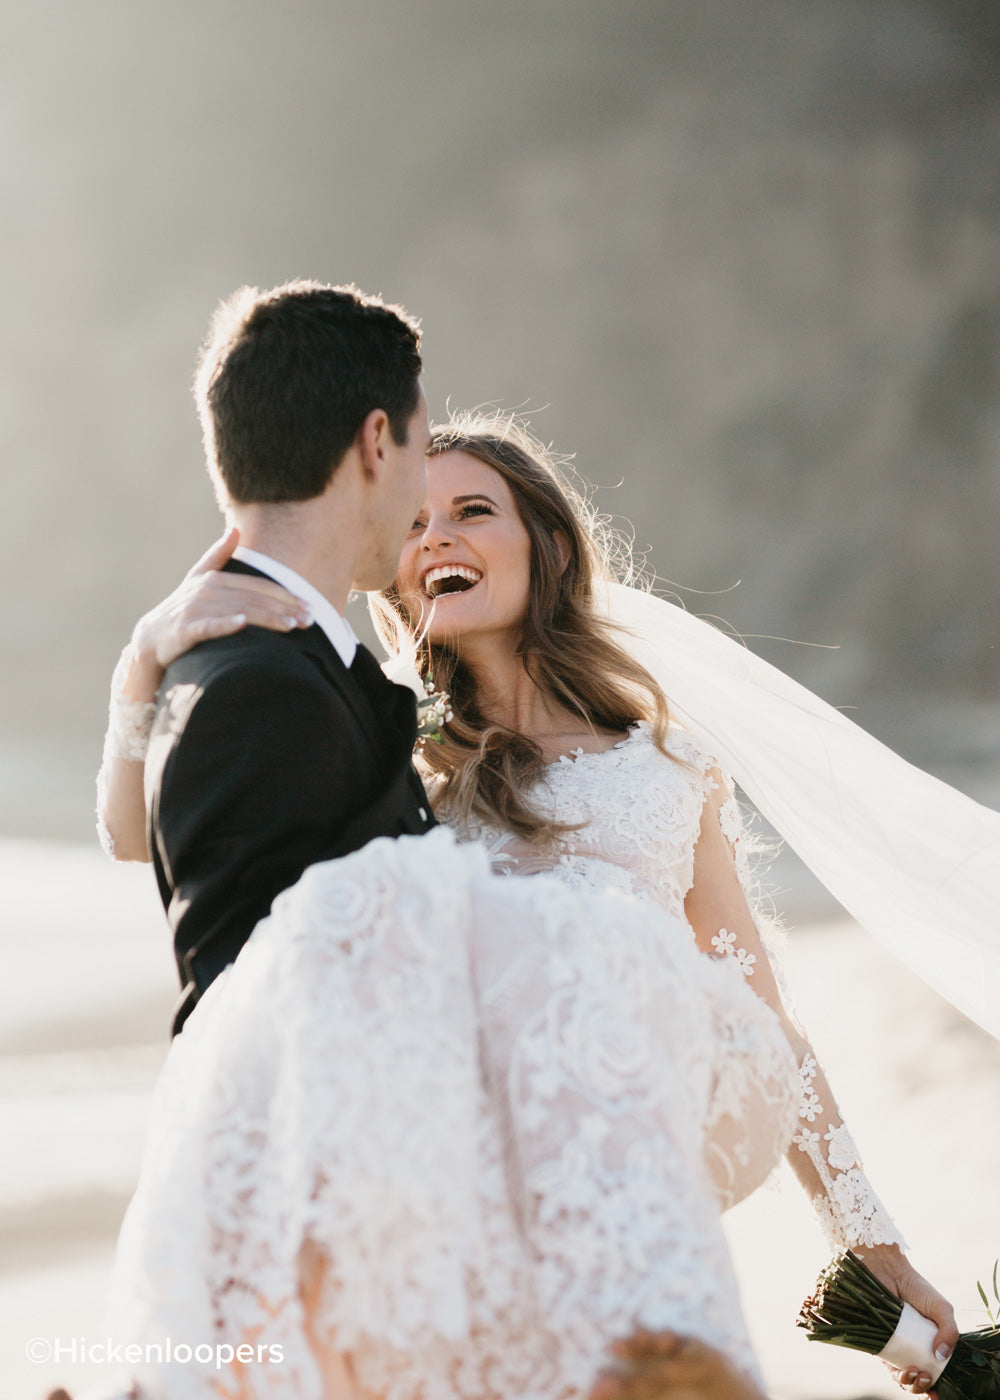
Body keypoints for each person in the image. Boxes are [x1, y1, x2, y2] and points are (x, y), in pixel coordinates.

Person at [99, 408, 963, 1397]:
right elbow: (139, 837)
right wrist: (140, 670)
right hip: (449, 1196)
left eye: (473, 511)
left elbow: (763, 1018)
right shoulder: (383, 758)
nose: (438, 538)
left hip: (630, 1181)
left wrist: (871, 1244)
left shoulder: (671, 764)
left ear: (546, 543)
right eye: (416, 523)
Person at [98, 278, 437, 1036]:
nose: (425, 496)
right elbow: (248, 1022)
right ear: (376, 442)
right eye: (424, 448)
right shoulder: (260, 686)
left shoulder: (267, 659)